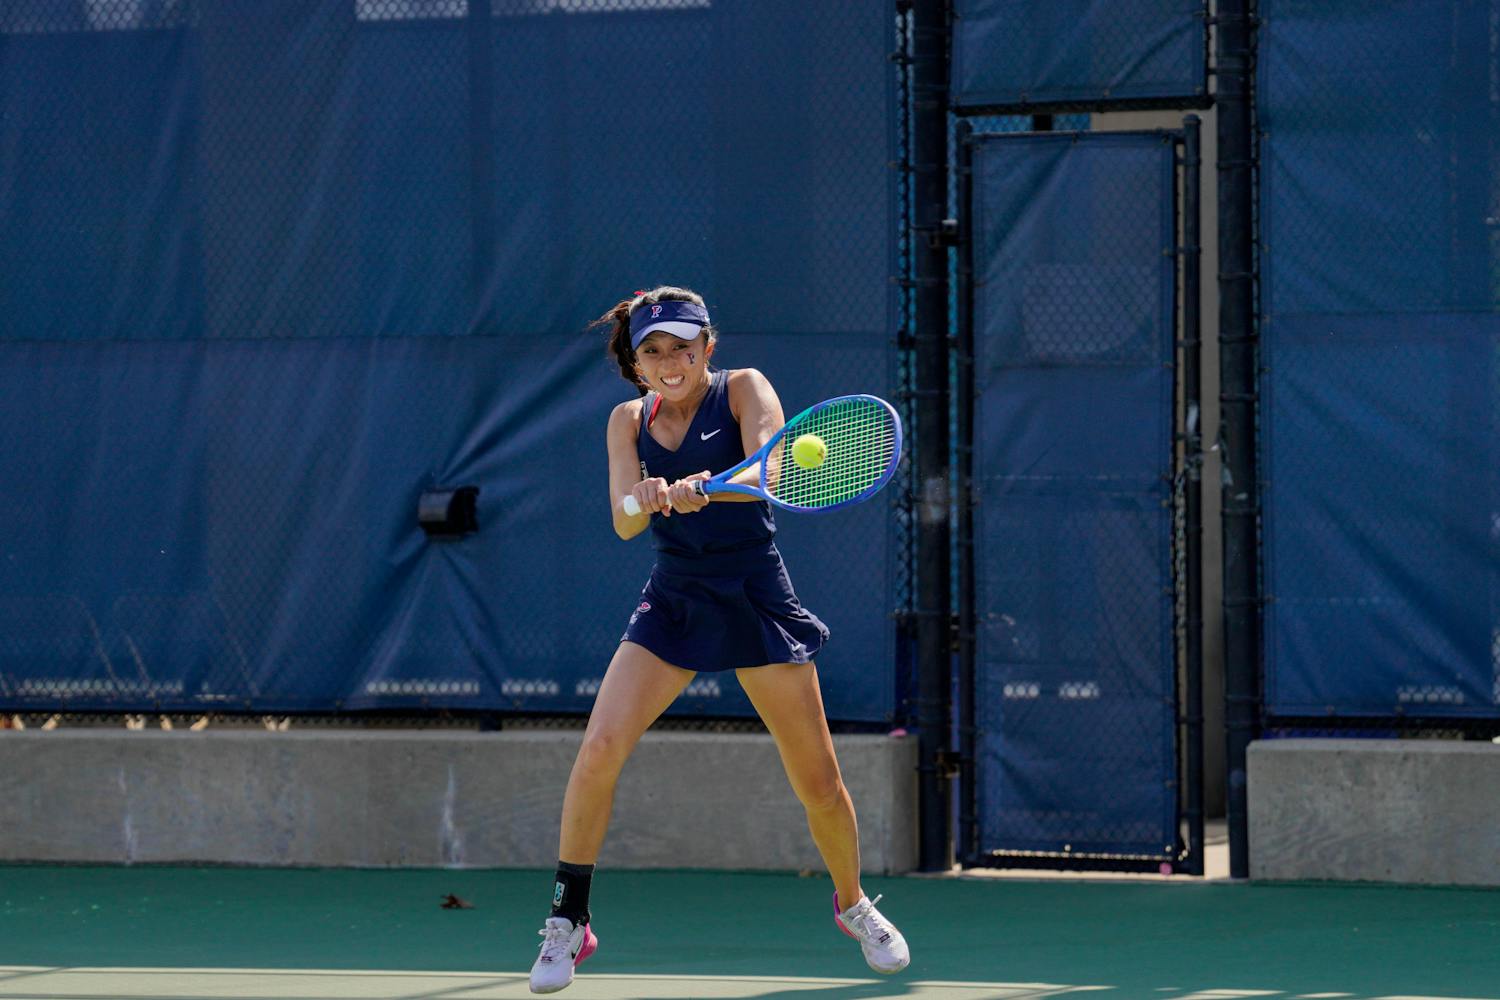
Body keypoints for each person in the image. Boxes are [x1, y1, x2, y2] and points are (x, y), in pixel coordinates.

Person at [528, 286, 910, 994]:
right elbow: (622, 520)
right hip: (674, 597)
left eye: (682, 346)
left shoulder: (743, 389)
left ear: (708, 346)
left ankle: (852, 903)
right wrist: (645, 498)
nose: (670, 361)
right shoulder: (625, 420)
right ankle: (569, 920)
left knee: (819, 784)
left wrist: (708, 486)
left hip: (754, 593)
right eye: (654, 351)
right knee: (600, 748)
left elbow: (775, 466)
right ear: (636, 364)